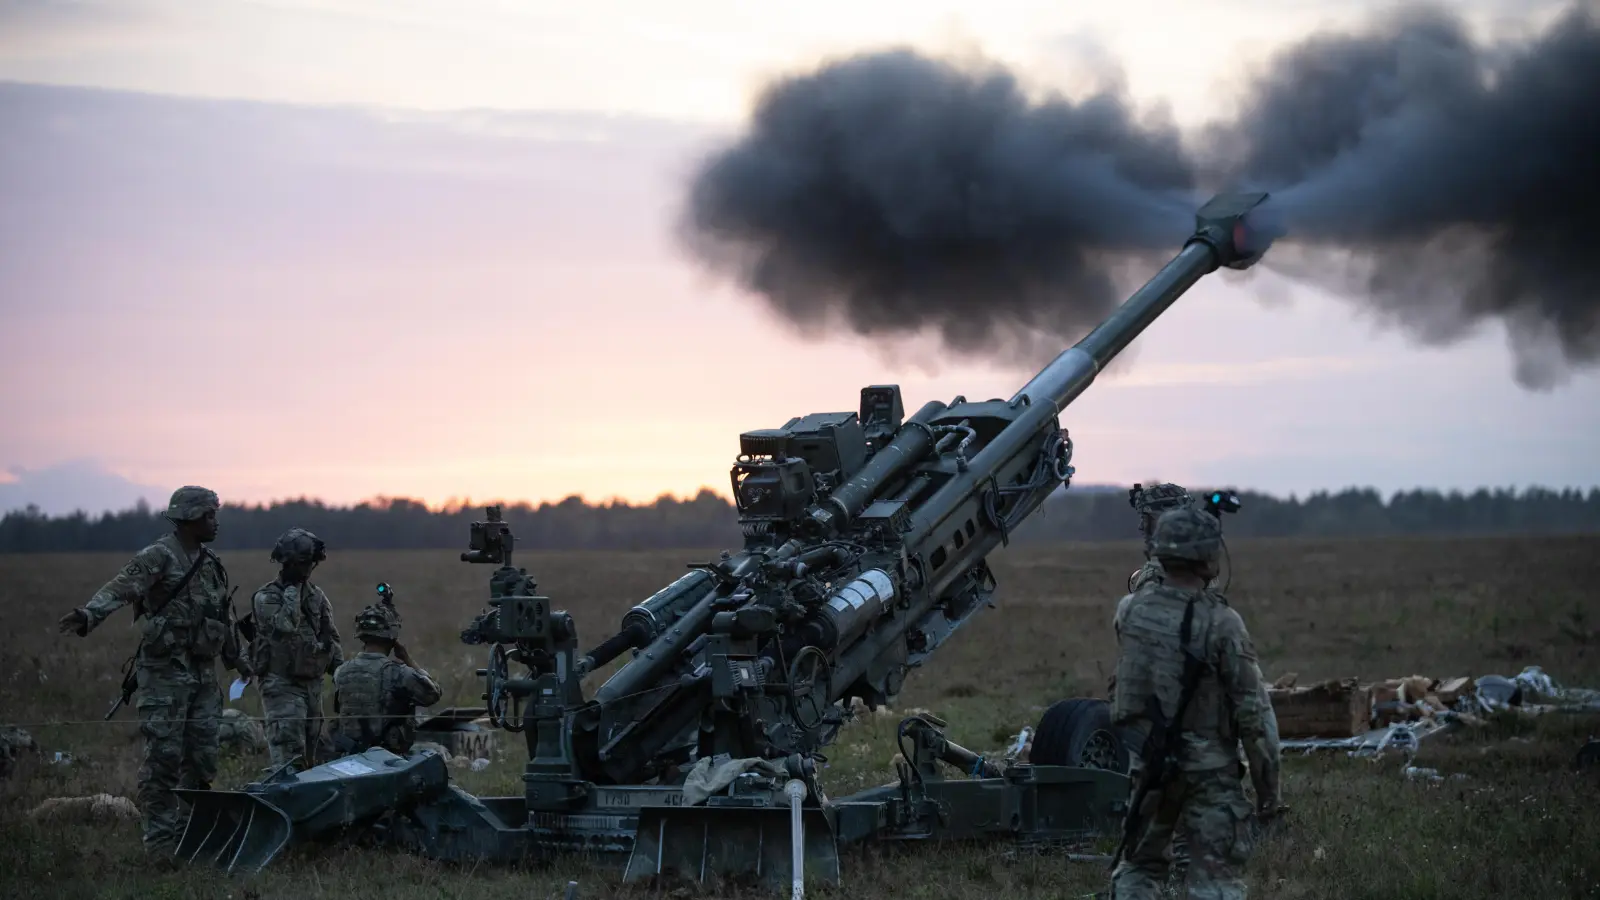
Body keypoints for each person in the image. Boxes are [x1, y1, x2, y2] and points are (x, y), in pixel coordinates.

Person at [55, 486, 245, 862]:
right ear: (190, 518)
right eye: (209, 515)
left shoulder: (212, 563)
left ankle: (190, 835)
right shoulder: (159, 555)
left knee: (203, 758)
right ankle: (159, 845)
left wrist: (237, 659)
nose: (215, 522)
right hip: (165, 675)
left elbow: (223, 616)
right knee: (164, 759)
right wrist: (89, 614)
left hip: (204, 676)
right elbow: (122, 586)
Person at [1108, 507, 1281, 899]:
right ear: (1208, 557)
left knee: (1138, 868)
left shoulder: (1129, 611)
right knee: (1214, 878)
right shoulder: (1223, 623)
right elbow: (1255, 714)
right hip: (1210, 772)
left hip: (1150, 765)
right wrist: (1269, 794)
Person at [247, 527, 343, 770]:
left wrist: (343, 676)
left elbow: (330, 636)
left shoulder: (316, 596)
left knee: (313, 760)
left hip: (311, 686)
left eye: (312, 563)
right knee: (288, 760)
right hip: (282, 686)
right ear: (287, 563)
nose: (309, 569)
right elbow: (285, 626)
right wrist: (292, 592)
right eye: (303, 563)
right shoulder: (266, 597)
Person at [331, 598, 442, 756]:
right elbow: (433, 694)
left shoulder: (341, 671)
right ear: (392, 638)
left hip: (349, 757)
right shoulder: (399, 673)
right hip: (388, 758)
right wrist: (408, 660)